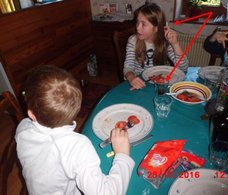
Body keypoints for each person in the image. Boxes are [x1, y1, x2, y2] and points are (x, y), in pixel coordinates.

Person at [15, 65, 134, 195]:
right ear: (77, 108)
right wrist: (122, 155)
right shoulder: (76, 146)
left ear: (31, 114)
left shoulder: (23, 128)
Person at [123, 3, 189, 90]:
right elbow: (128, 67)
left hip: (159, 83)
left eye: (143, 24)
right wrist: (132, 78)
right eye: (137, 22)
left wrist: (175, 44)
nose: (138, 28)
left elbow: (183, 68)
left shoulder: (165, 41)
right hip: (139, 82)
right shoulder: (133, 40)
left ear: (156, 28)